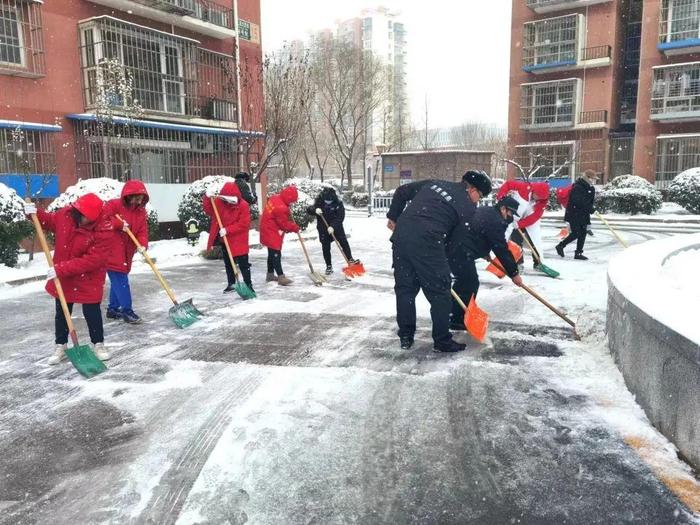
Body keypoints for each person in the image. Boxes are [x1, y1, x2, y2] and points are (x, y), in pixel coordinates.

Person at [386, 170, 491, 352]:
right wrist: (442, 268)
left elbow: (401, 191)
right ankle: (442, 340)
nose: (478, 201)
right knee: (441, 292)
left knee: (406, 290)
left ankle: (405, 335)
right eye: (480, 196)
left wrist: (394, 217)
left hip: (401, 238)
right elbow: (454, 243)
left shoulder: (436, 183)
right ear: (472, 189)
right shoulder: (468, 208)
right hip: (429, 242)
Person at [24, 193, 114, 365]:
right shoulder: (66, 215)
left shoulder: (104, 227)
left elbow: (94, 260)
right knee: (62, 312)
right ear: (77, 210)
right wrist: (34, 213)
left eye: (89, 219)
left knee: (92, 311)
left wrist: (61, 269)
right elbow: (49, 222)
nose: (85, 221)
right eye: (83, 216)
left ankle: (98, 344)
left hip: (88, 276)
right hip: (63, 276)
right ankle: (61, 345)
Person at [448, 196, 524, 330]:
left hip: (456, 247)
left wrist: (482, 251)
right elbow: (501, 248)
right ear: (503, 208)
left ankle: (453, 313)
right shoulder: (495, 221)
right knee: (470, 282)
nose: (510, 217)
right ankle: (456, 319)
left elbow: (477, 232)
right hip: (460, 251)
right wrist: (514, 273)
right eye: (510, 213)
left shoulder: (488, 211)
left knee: (463, 282)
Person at [103, 180, 149, 324]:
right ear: (129, 195)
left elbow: (142, 230)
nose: (139, 200)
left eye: (141, 197)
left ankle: (113, 309)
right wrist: (119, 224)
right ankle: (127, 311)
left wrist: (142, 245)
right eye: (137, 197)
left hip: (127, 251)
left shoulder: (141, 212)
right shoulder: (113, 205)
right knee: (121, 281)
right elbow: (102, 220)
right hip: (111, 250)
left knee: (118, 281)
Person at [203, 182, 253, 293]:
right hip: (224, 240)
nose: (228, 201)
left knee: (244, 264)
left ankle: (248, 285)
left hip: (239, 239)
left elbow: (244, 224)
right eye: (226, 199)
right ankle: (231, 284)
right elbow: (208, 210)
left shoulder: (243, 205)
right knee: (229, 264)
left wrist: (227, 230)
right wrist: (207, 197)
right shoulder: (219, 202)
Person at [496, 179, 550, 269]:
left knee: (534, 240)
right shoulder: (523, 187)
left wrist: (520, 224)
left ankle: (538, 262)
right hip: (514, 217)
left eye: (540, 198)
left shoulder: (542, 201)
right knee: (516, 240)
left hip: (528, 221)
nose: (537, 199)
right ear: (534, 190)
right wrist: (501, 198)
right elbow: (508, 184)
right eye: (537, 195)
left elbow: (535, 216)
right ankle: (518, 262)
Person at [306, 186, 359, 274]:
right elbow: (309, 209)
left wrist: (333, 227)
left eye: (330, 200)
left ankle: (350, 259)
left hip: (337, 228)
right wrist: (315, 210)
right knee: (325, 247)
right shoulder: (319, 203)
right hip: (323, 229)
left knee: (344, 242)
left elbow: (340, 217)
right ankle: (329, 266)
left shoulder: (338, 204)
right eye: (326, 200)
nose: (328, 201)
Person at [260, 186, 300, 286]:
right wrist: (294, 227)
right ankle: (281, 277)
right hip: (272, 231)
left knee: (271, 253)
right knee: (276, 253)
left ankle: (270, 275)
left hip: (266, 228)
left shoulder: (275, 198)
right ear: (289, 198)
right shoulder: (281, 208)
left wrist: (287, 209)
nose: (292, 203)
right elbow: (284, 225)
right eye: (291, 201)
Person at [556, 170, 598, 260]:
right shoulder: (578, 186)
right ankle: (560, 246)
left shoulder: (591, 188)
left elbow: (589, 202)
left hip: (584, 214)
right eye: (593, 179)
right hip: (574, 213)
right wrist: (591, 209)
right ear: (588, 177)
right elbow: (578, 201)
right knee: (576, 233)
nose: (594, 181)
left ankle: (578, 253)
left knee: (583, 233)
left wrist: (591, 210)